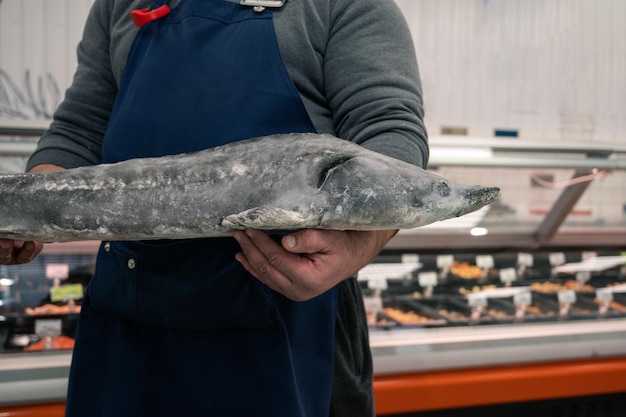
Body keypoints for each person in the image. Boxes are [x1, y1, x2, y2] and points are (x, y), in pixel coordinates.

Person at [0, 0, 428, 415]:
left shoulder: (339, 6)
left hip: (285, 324)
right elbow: (78, 130)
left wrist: (358, 246)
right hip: (128, 320)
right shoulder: (119, 5)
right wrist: (26, 213)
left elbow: (389, 136)